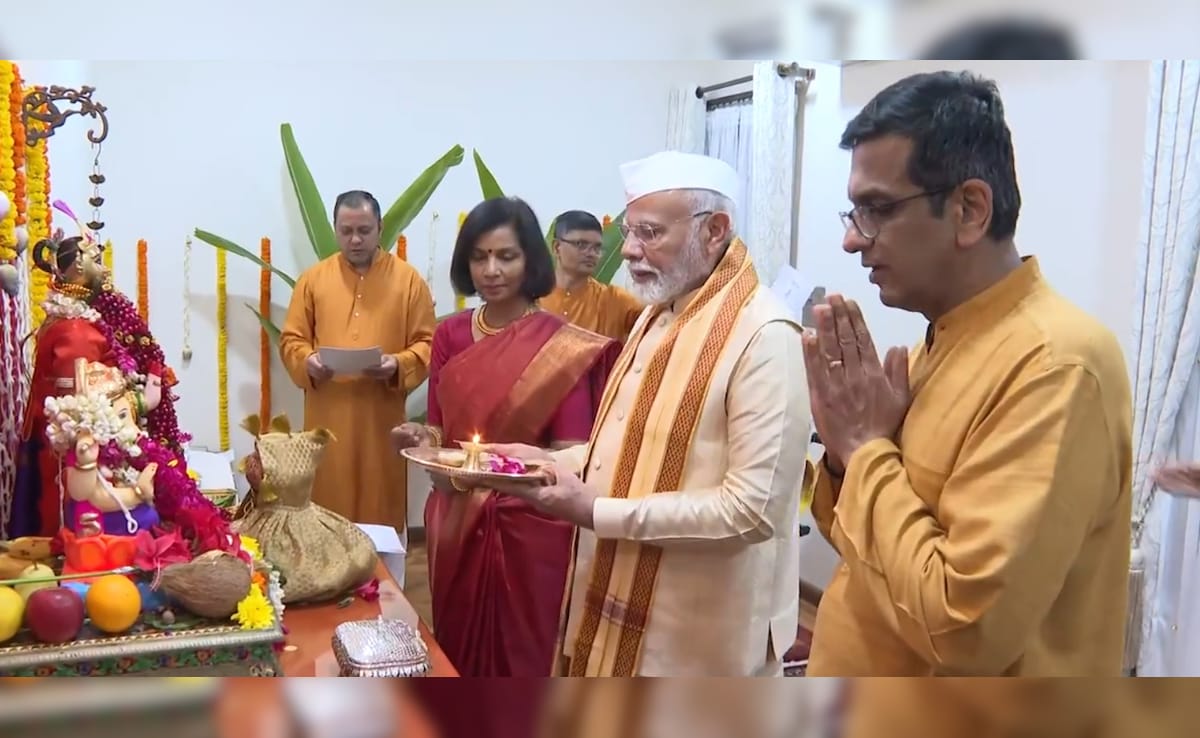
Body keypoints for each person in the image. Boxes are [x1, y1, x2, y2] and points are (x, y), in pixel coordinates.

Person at [803, 70, 1132, 682]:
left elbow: (963, 630)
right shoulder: (942, 340)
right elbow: (865, 545)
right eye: (852, 212)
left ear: (969, 210)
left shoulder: (1054, 364)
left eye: (876, 209)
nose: (852, 240)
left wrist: (867, 448)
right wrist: (850, 459)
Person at [488, 151, 809, 677]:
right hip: (614, 598)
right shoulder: (659, 313)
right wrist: (548, 462)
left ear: (715, 230)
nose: (630, 251)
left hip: (697, 637)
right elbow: (631, 450)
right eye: (630, 232)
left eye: (651, 234)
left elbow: (752, 510)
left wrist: (596, 513)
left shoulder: (764, 335)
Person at [389, 196, 620, 679]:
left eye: (506, 256)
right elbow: (439, 428)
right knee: (455, 645)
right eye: (479, 256)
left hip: (531, 525)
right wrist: (419, 435)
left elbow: (567, 454)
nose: (491, 270)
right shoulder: (450, 335)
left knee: (520, 660)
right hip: (454, 520)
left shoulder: (563, 346)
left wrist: (504, 477)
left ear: (532, 260)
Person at [280, 190, 436, 532]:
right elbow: (292, 340)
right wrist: (308, 361)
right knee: (326, 505)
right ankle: (330, 583)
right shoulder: (313, 280)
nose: (355, 240)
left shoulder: (409, 281)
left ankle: (382, 582)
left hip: (380, 419)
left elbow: (428, 344)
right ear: (335, 229)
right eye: (346, 230)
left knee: (379, 505)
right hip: (327, 416)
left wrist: (397, 364)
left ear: (380, 228)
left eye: (364, 230)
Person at [540, 209, 643, 342]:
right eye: (581, 245)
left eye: (597, 248)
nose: (591, 253)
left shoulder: (615, 301)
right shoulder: (530, 298)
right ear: (556, 247)